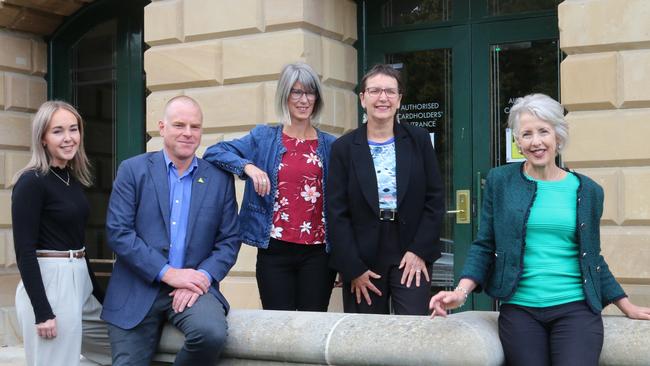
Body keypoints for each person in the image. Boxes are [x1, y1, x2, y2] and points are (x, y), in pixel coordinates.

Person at [429, 93, 650, 365]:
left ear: (558, 136)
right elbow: (485, 245)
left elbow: (593, 258)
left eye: (543, 131)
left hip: (576, 310)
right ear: (518, 142)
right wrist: (460, 293)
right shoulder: (500, 182)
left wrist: (625, 304)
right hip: (521, 310)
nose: (536, 142)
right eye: (526, 134)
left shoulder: (589, 191)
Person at [101, 96, 241, 365]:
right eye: (179, 125)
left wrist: (201, 277)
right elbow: (119, 232)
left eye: (195, 127)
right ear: (162, 127)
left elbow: (229, 240)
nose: (188, 133)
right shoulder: (133, 170)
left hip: (193, 289)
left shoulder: (219, 179)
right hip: (137, 287)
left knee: (211, 334)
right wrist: (169, 274)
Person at [203, 62, 337, 311]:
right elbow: (214, 152)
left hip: (318, 254)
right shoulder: (263, 137)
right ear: (284, 96)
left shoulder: (331, 145)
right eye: (296, 92)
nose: (304, 99)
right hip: (275, 250)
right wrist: (248, 168)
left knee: (312, 326)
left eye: (310, 92)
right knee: (278, 327)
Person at [327, 64, 445, 315]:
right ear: (362, 98)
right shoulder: (344, 148)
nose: (383, 98)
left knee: (412, 332)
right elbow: (337, 213)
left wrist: (419, 251)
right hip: (363, 257)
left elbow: (434, 199)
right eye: (375, 91)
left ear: (400, 99)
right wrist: (352, 268)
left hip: (410, 250)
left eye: (390, 92)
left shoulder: (418, 140)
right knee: (366, 340)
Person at [12, 101, 110, 366]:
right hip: (51, 281)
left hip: (79, 277)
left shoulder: (71, 179)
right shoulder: (31, 182)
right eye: (57, 131)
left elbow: (78, 242)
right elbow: (24, 251)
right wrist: (42, 311)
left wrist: (102, 298)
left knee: (118, 348)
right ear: (43, 138)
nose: (68, 138)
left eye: (73, 129)